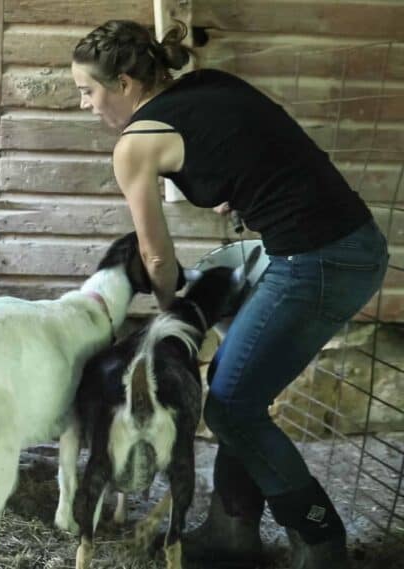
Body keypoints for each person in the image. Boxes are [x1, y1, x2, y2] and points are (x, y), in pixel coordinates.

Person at [70, 19, 389, 569]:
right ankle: (232, 526)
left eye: (87, 91)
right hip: (346, 242)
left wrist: (174, 319)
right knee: (239, 388)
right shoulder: (209, 85)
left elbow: (156, 259)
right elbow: (263, 148)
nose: (85, 105)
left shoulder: (134, 145)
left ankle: (320, 541)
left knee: (233, 407)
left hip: (317, 259)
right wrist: (235, 189)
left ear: (123, 84)